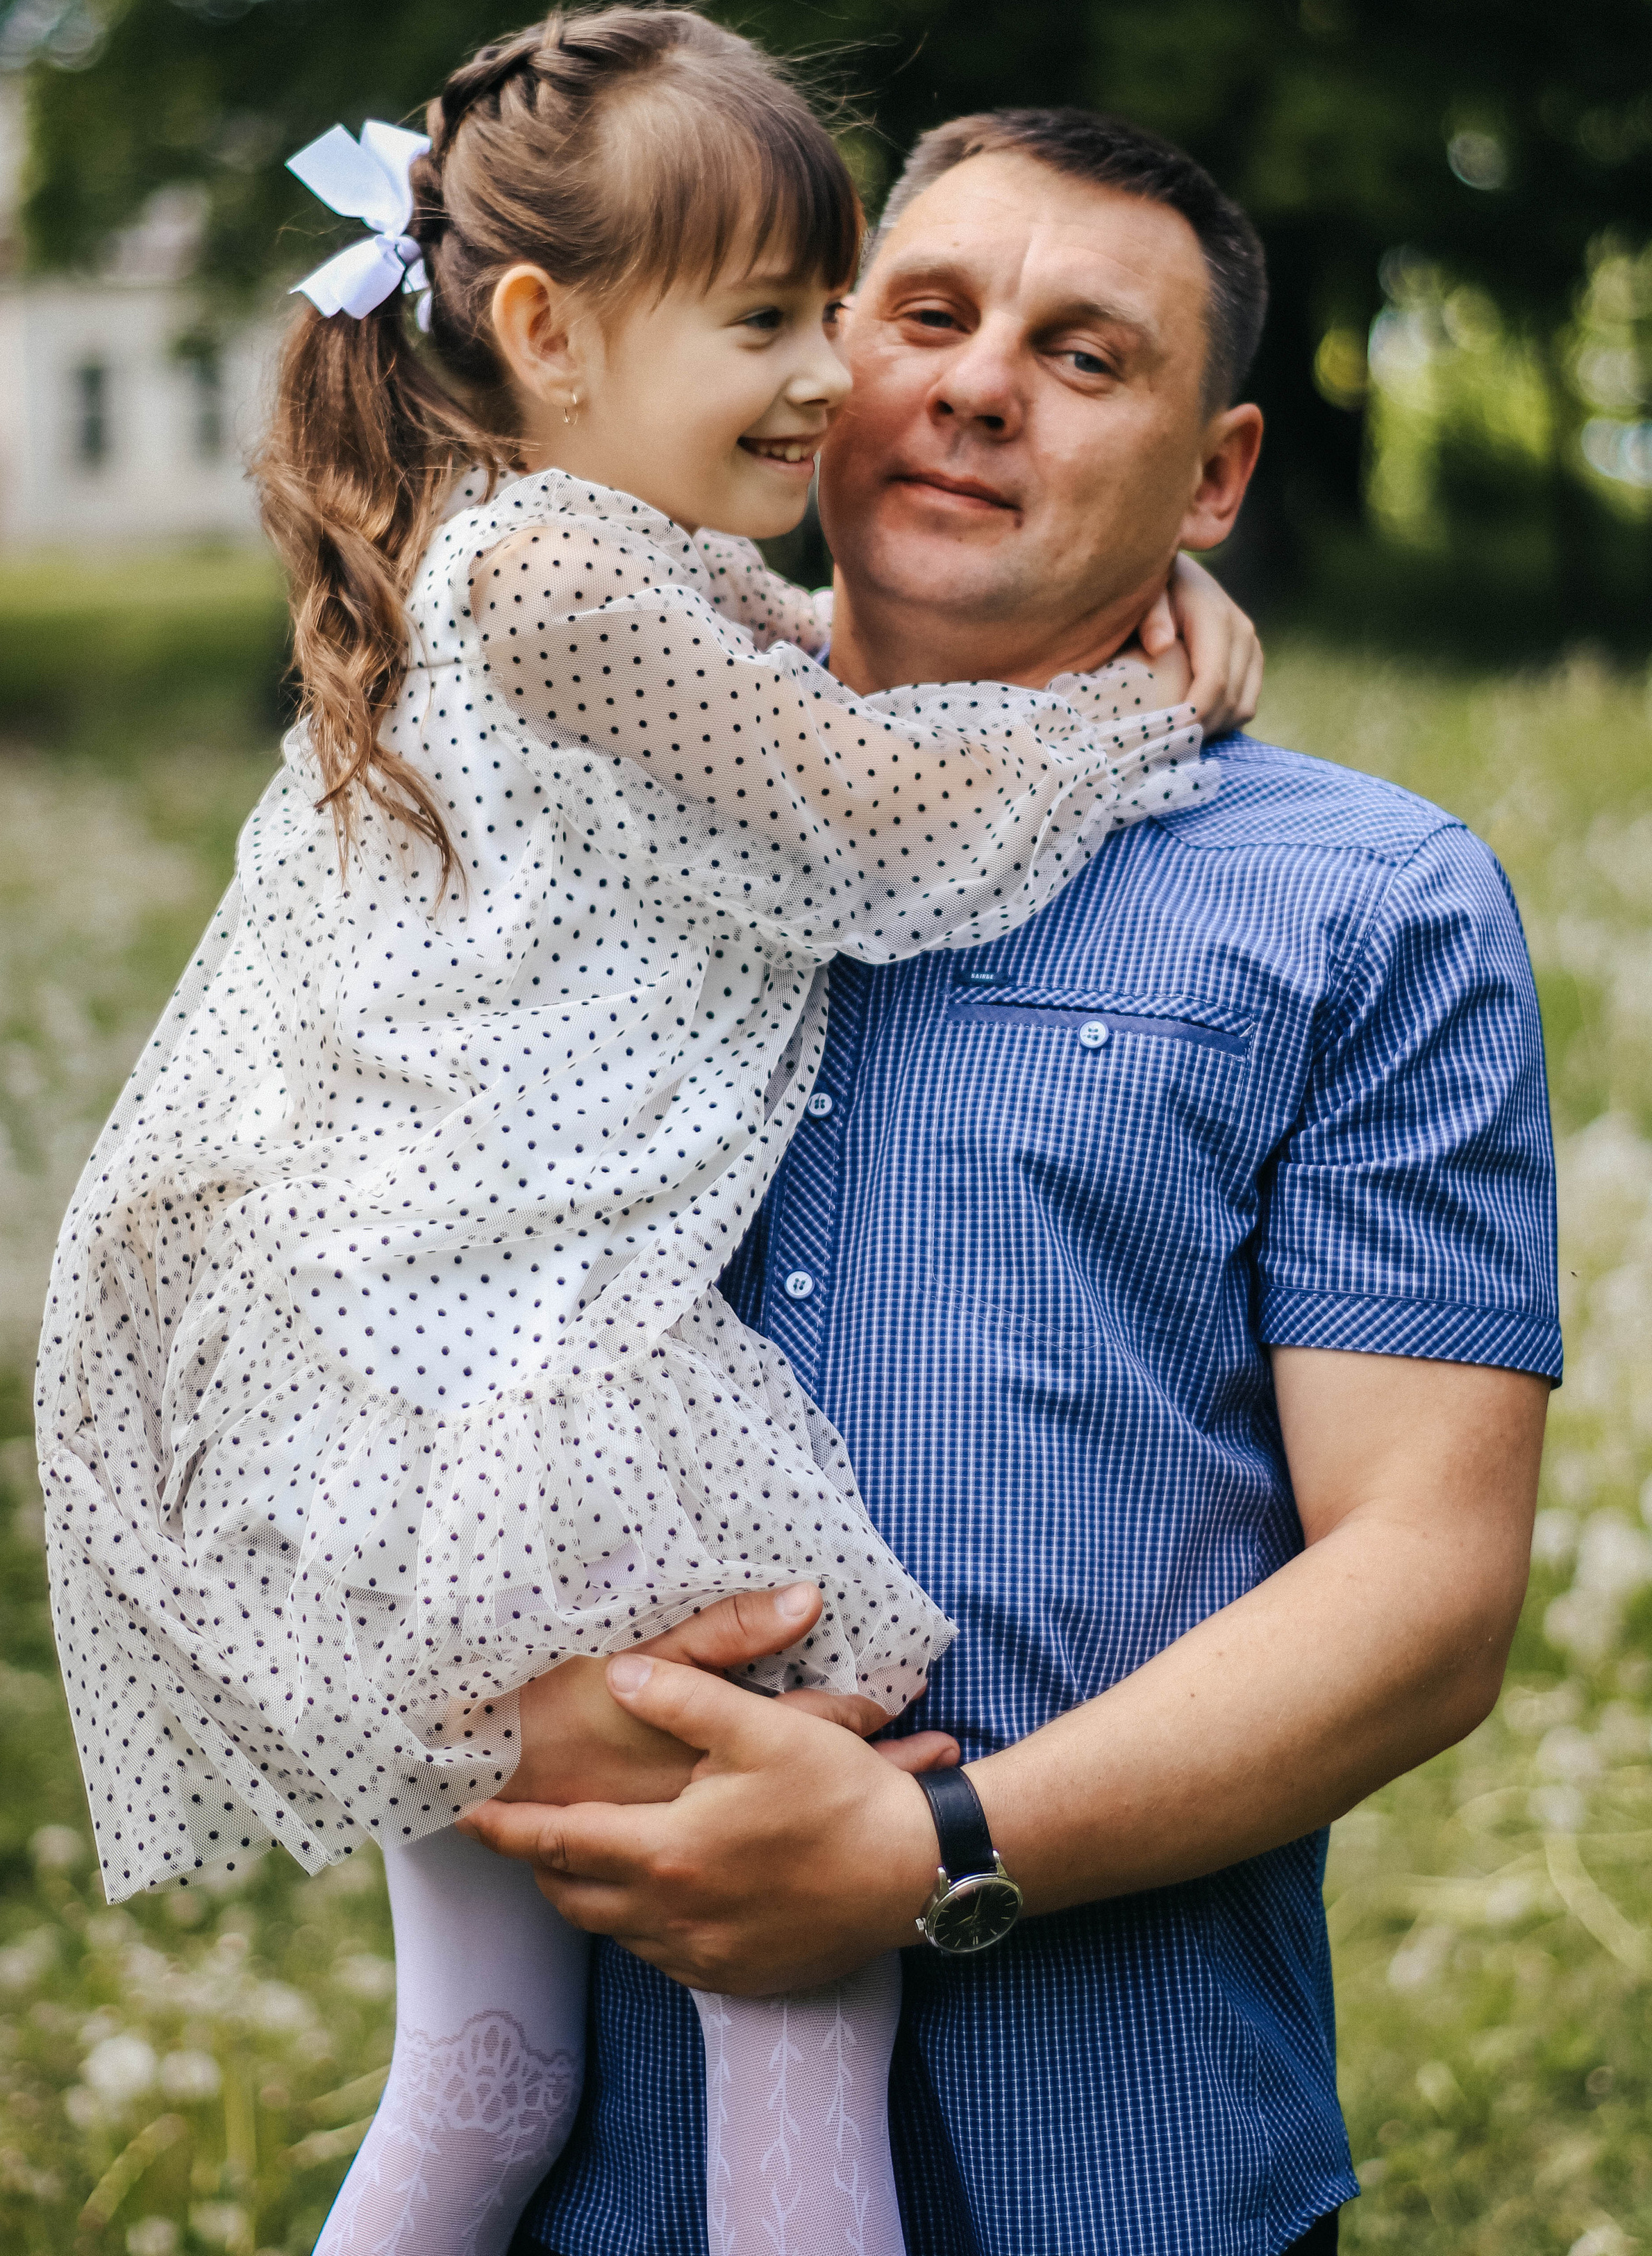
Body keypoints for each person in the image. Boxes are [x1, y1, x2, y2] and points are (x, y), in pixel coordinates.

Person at [33, 9, 1260, 2256]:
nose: (824, 382)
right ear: (544, 331)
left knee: (485, 2083)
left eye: (825, 311)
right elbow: (865, 810)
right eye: (773, 319)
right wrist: (1121, 711)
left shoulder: (550, 557)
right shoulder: (562, 583)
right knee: (807, 2015)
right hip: (519, 1423)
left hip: (396, 1431)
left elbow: (793, 666)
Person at [476, 108, 1562, 2256]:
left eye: (1087, 357)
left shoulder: (1365, 906)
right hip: (588, 2156)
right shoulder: (557, 820)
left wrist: (932, 1847)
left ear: (1221, 473)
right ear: (814, 366)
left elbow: (1425, 1588)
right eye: (930, 317)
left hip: (1131, 2157)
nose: (978, 384)